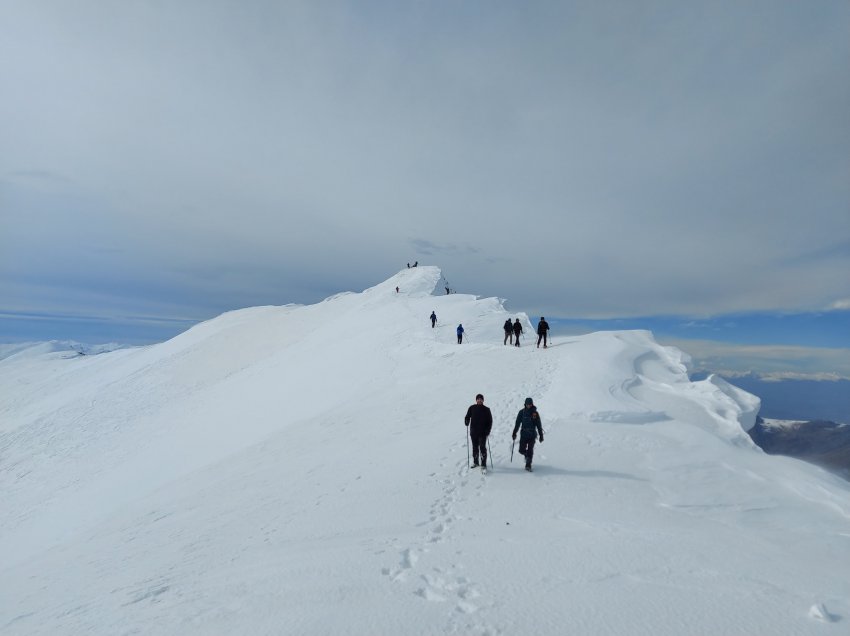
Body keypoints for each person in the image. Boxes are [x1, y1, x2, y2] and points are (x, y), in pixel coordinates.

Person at [512, 397, 543, 471]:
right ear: (525, 404)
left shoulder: (535, 413)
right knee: (521, 450)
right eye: (527, 404)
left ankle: (528, 465)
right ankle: (526, 456)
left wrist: (541, 435)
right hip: (524, 434)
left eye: (530, 404)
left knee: (530, 450)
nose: (529, 405)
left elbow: (539, 425)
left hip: (532, 434)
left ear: (532, 404)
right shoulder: (521, 412)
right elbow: (517, 423)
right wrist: (514, 433)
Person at [465, 393, 493, 469]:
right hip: (473, 432)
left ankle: (483, 464)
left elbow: (490, 421)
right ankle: (476, 462)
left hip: (483, 433)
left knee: (482, 447)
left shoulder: (487, 409)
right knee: (475, 447)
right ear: (476, 400)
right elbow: (467, 416)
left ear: (483, 400)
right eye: (478, 399)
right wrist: (466, 421)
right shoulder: (472, 408)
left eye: (481, 399)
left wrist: (488, 430)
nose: (479, 400)